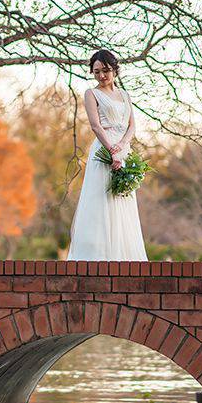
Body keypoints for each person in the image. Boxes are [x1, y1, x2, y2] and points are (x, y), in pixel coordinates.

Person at [66, 49, 147, 261]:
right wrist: (112, 151)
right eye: (97, 72)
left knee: (122, 201)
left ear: (114, 70)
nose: (102, 75)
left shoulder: (125, 95)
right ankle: (99, 256)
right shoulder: (91, 94)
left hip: (123, 149)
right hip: (104, 151)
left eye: (106, 70)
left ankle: (123, 256)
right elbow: (95, 125)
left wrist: (122, 146)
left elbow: (132, 125)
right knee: (101, 200)